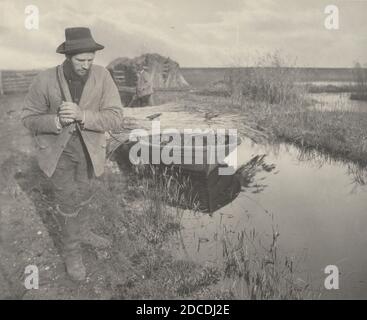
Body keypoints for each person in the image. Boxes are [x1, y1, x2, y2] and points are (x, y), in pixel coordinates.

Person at [22, 27, 124, 281]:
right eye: (80, 60)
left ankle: (84, 232)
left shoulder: (103, 76)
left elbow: (116, 116)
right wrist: (55, 122)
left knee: (86, 193)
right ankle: (72, 253)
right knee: (67, 202)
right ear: (67, 57)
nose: (86, 66)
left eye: (91, 59)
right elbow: (28, 118)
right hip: (59, 153)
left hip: (90, 151)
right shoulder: (45, 80)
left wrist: (83, 116)